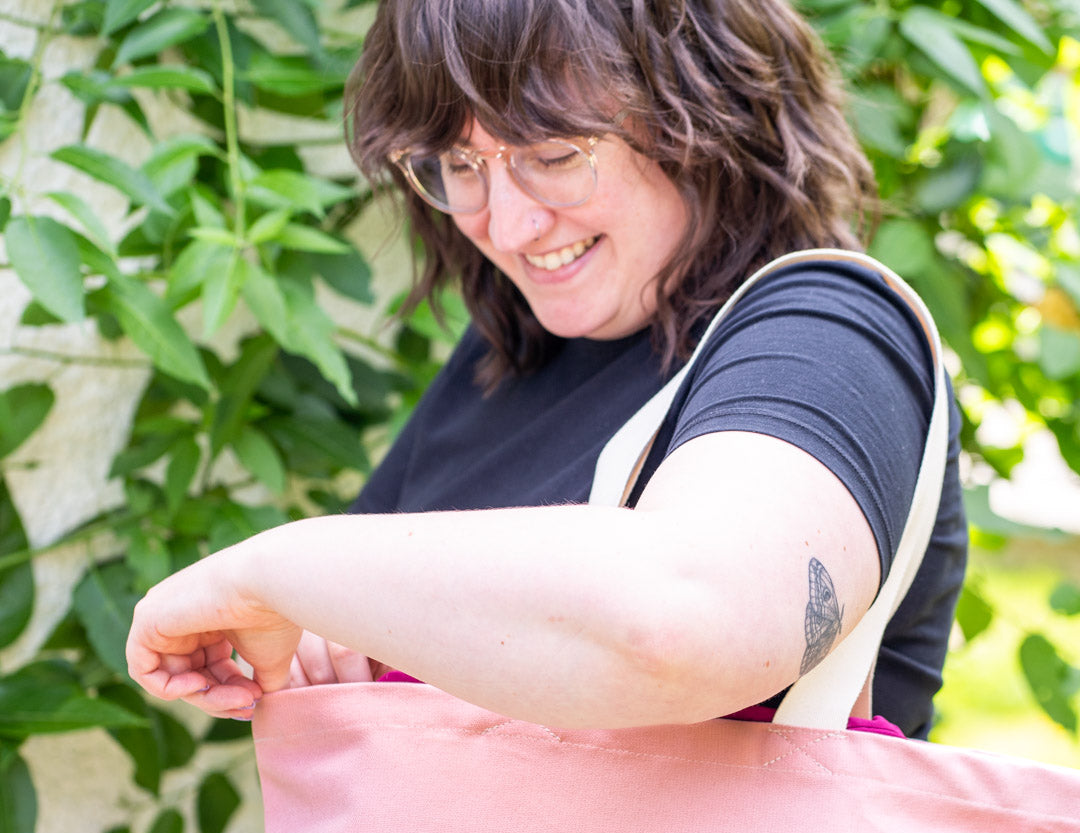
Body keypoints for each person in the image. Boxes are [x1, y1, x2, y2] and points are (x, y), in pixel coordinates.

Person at [127, 0, 966, 749]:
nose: (509, 226)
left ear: (707, 115)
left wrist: (280, 570)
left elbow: (682, 623)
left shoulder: (829, 336)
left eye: (555, 154)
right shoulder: (509, 356)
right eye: (460, 166)